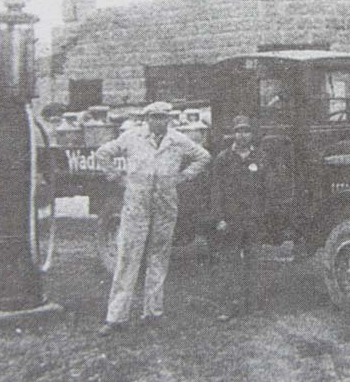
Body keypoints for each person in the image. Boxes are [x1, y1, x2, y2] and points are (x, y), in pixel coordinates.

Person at [95, 101, 211, 335]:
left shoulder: (178, 140)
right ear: (146, 118)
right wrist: (116, 176)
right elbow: (103, 153)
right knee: (128, 258)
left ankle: (153, 313)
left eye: (164, 117)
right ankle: (116, 318)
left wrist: (185, 176)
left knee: (158, 258)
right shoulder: (132, 137)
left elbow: (203, 156)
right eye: (155, 117)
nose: (159, 121)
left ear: (169, 119)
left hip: (165, 205)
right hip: (136, 204)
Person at [210, 115, 268, 320]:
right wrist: (219, 219)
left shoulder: (260, 157)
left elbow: (266, 189)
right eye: (238, 131)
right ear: (233, 134)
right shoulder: (224, 159)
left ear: (252, 134)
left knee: (254, 262)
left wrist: (263, 216)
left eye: (246, 131)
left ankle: (254, 305)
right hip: (231, 219)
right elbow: (216, 191)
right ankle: (228, 306)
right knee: (230, 263)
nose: (242, 135)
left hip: (253, 219)